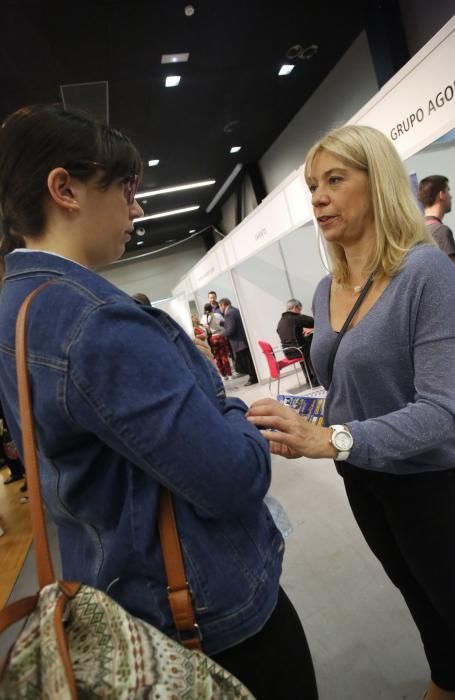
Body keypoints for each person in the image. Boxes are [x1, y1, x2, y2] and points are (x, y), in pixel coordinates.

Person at [0, 104, 318, 700]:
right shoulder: (94, 322)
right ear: (64, 188)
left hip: (112, 592)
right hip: (203, 616)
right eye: (125, 188)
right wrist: (228, 404)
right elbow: (234, 475)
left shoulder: (15, 312)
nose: (136, 208)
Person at [247, 125, 455, 700]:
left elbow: (445, 412)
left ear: (379, 184)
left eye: (335, 180)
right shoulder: (327, 287)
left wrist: (335, 439)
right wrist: (310, 425)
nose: (317, 197)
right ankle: (447, 677)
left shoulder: (425, 273)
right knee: (413, 589)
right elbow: (345, 381)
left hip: (434, 482)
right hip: (365, 478)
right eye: (313, 184)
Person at [418, 175, 455, 277]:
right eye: (448, 191)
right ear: (442, 195)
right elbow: (454, 277)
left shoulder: (420, 230)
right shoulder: (441, 231)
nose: (451, 196)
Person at [276, 298, 316, 386]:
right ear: (295, 307)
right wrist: (300, 316)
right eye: (300, 309)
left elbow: (291, 335)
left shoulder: (281, 321)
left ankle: (309, 378)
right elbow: (313, 321)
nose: (300, 311)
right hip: (297, 350)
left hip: (289, 351)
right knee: (313, 341)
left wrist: (302, 333)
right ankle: (316, 377)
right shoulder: (295, 318)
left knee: (307, 342)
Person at [218, 298, 258, 386]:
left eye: (220, 306)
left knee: (245, 364)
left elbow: (230, 330)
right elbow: (231, 325)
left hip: (239, 343)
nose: (220, 308)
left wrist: (220, 334)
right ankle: (253, 377)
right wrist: (221, 323)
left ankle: (253, 378)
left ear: (223, 305)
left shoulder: (229, 314)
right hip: (242, 342)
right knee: (248, 362)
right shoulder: (234, 310)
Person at [200, 303, 232, 379]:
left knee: (217, 357)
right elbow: (224, 324)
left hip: (212, 338)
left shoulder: (203, 319)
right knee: (224, 356)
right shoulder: (217, 315)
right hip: (220, 336)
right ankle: (229, 374)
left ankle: (224, 375)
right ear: (212, 308)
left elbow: (204, 330)